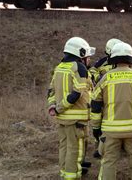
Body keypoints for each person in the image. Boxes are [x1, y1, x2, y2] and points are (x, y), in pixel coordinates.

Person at [90, 42, 132, 180]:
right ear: (131, 58)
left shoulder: (105, 79)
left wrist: (96, 127)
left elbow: (95, 105)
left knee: (108, 162)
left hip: (110, 130)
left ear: (112, 58)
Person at [46, 37, 95, 179]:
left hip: (62, 119)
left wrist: (52, 106)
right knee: (75, 150)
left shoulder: (59, 67)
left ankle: (65, 174)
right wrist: (59, 108)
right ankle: (72, 177)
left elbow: (51, 91)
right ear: (80, 53)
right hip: (76, 120)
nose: (88, 59)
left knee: (64, 148)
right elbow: (77, 93)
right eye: (87, 56)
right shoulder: (78, 67)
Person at [88, 37, 122, 158]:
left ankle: (119, 145)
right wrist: (99, 78)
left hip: (118, 95)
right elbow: (92, 71)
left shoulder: (121, 62)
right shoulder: (102, 62)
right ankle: (99, 147)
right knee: (102, 122)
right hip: (104, 96)